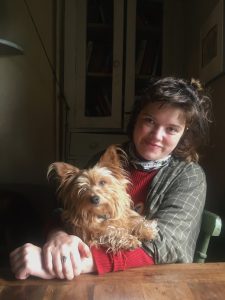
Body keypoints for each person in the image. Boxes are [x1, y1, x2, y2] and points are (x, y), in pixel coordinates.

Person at [10, 76, 212, 280]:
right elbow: (63, 211)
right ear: (136, 118)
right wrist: (57, 236)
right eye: (149, 120)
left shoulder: (189, 177)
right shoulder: (102, 160)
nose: (157, 136)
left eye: (172, 129)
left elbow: (166, 245)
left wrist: (73, 264)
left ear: (184, 133)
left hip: (156, 282)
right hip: (93, 279)